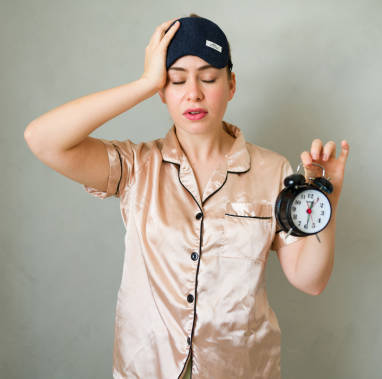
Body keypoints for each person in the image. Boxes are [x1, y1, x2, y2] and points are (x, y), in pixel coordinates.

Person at [24, 14, 349, 379]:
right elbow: (42, 139)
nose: (193, 92)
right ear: (163, 91)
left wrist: (327, 202)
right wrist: (145, 82)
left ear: (231, 84)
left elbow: (310, 280)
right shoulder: (135, 167)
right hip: (147, 369)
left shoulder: (273, 170)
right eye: (177, 80)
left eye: (208, 78)